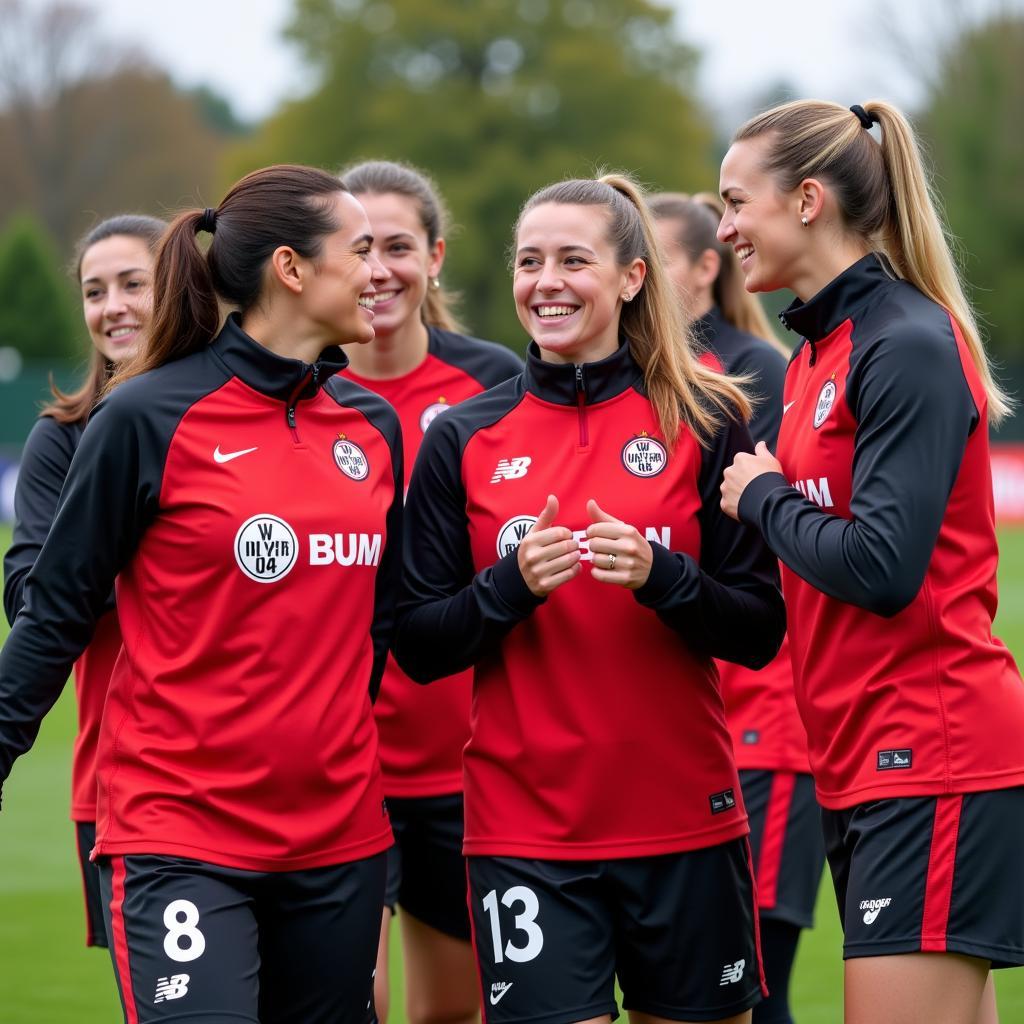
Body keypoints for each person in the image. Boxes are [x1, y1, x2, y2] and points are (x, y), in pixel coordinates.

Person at [0, 165, 403, 1024]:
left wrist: (513, 589)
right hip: (181, 833)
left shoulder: (376, 426)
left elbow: (393, 625)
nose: (383, 273)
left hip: (339, 838)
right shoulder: (145, 416)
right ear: (292, 269)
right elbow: (54, 612)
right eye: (361, 250)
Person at [396, 172, 786, 1024]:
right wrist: (508, 588)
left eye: (574, 260)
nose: (547, 281)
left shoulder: (708, 416)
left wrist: (664, 578)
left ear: (631, 277)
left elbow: (760, 631)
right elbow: (417, 643)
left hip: (686, 818)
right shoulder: (462, 437)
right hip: (525, 831)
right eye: (529, 261)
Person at [718, 99, 1024, 1024]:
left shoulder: (907, 344)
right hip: (861, 761)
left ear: (808, 199)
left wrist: (764, 498)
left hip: (930, 753)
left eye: (738, 201)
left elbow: (884, 568)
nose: (725, 225)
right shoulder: (817, 352)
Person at [339, 159, 522, 1024]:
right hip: (339, 761)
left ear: (437, 257)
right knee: (353, 1002)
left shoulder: (495, 383)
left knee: (455, 1012)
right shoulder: (293, 388)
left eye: (399, 246)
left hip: (465, 760)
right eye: (359, 246)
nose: (379, 268)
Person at [649, 192, 824, 1024]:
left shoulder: (755, 373)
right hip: (680, 727)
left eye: (652, 254)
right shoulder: (623, 371)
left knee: (755, 987)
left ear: (705, 268)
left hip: (766, 724)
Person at [3, 213, 165, 952]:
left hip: (280, 774)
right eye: (96, 292)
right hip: (120, 779)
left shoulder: (244, 419)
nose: (113, 307)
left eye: (133, 283)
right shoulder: (60, 439)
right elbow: (29, 598)